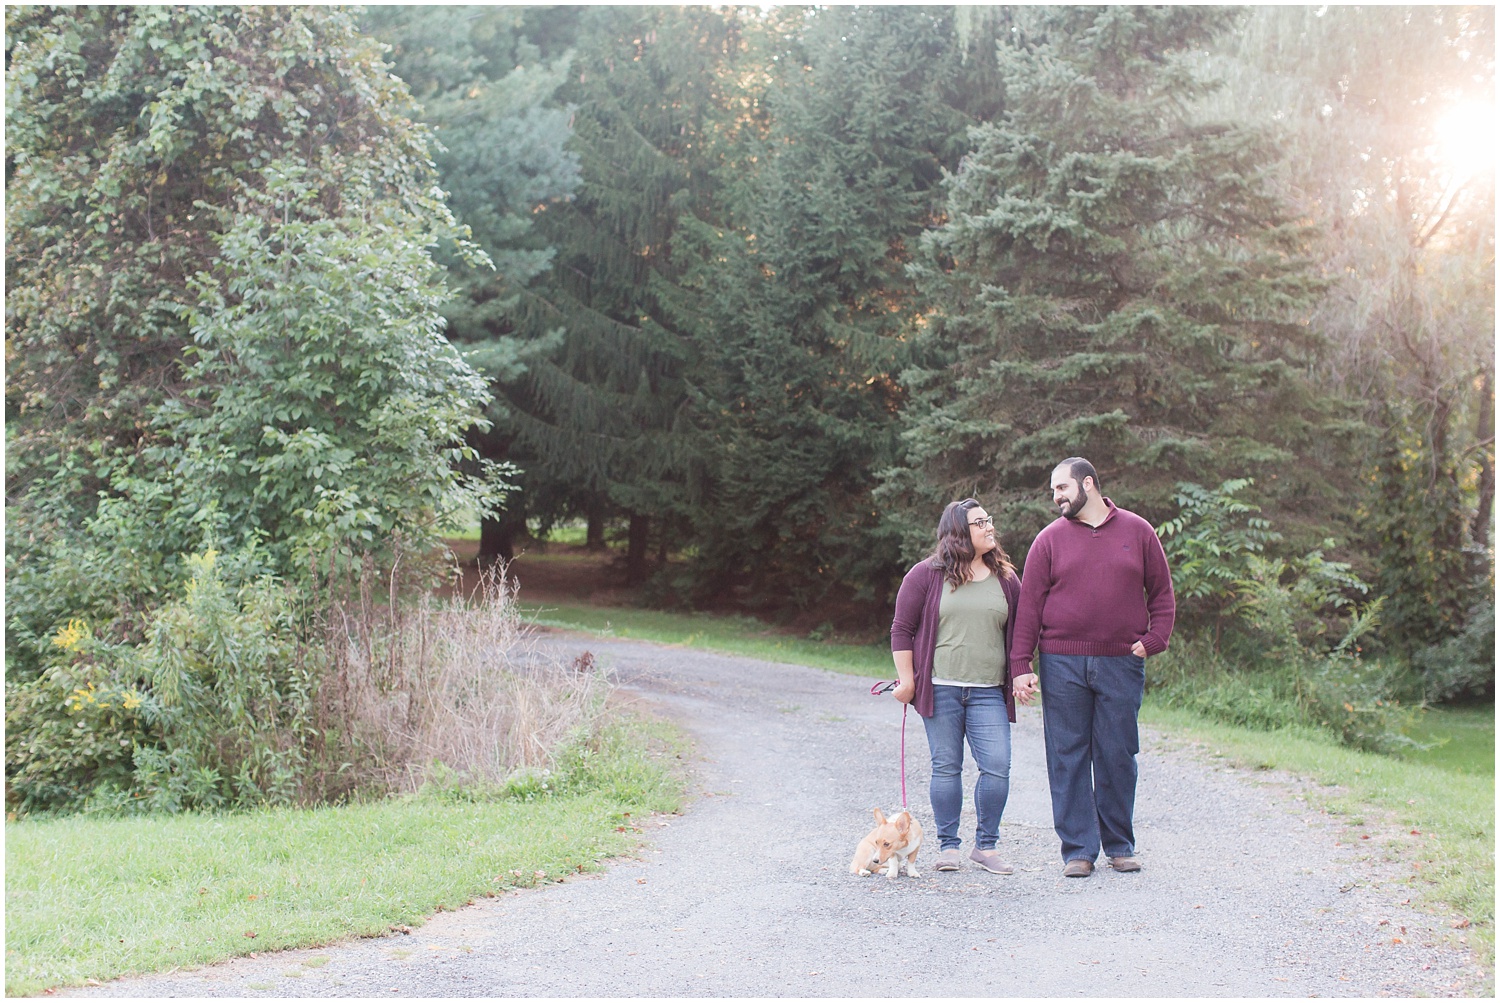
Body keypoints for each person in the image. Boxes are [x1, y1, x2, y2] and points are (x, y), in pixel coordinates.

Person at [1008, 457, 1175, 877]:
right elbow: (1029, 608)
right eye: (1053, 491)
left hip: (1121, 661)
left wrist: (1155, 640)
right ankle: (1079, 850)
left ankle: (1119, 844)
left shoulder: (1138, 532)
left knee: (1118, 753)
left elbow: (1162, 594)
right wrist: (1020, 664)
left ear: (1088, 483)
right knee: (1067, 755)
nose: (1056, 497)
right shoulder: (1048, 541)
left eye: (1061, 488)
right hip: (1061, 661)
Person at [890, 498, 1023, 874]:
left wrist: (1023, 672)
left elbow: (1021, 634)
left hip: (988, 692)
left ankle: (986, 846)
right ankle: (948, 846)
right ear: (959, 532)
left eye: (988, 520)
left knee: (997, 767)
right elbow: (902, 629)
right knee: (946, 767)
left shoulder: (1007, 579)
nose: (989, 527)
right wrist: (908, 679)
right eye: (980, 523)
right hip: (941, 689)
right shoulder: (925, 575)